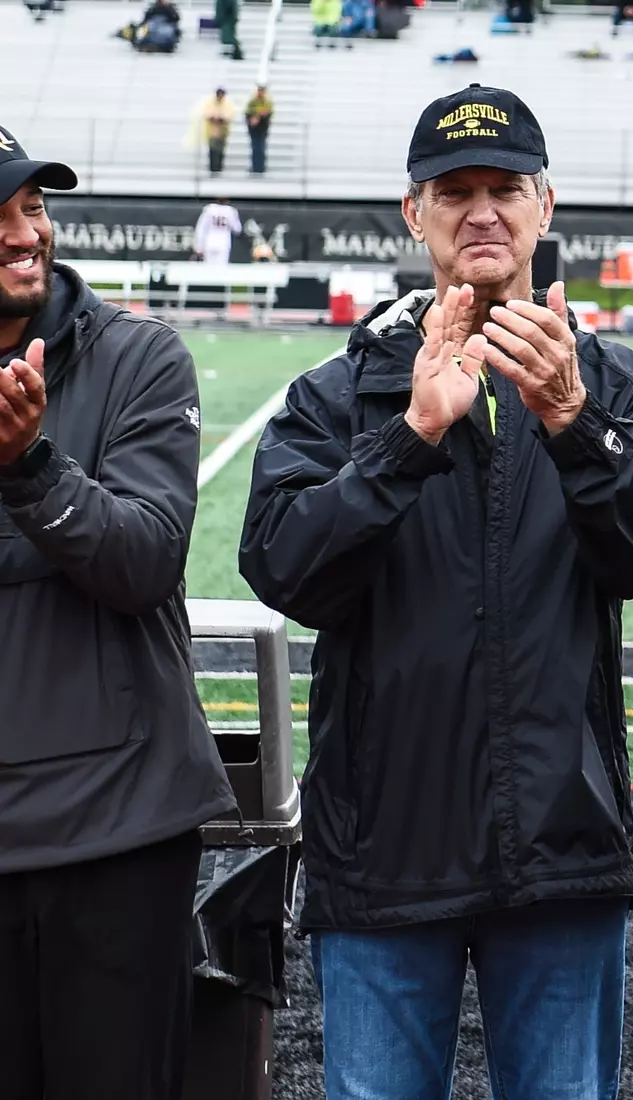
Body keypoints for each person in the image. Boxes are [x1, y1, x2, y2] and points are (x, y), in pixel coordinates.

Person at [238, 83, 633, 1100]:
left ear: (545, 203)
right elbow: (282, 566)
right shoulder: (339, 393)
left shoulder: (617, 385)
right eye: (454, 190)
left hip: (561, 846)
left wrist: (575, 424)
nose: (481, 210)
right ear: (414, 211)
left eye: (504, 187)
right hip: (383, 851)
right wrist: (407, 438)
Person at [0, 124, 237, 1100]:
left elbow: (143, 558)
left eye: (34, 205)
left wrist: (32, 468)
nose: (25, 232)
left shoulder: (140, 358)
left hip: (116, 830)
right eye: (1, 213)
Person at [193, 197, 240, 264]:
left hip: (209, 242)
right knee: (221, 268)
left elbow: (201, 228)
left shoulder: (209, 209)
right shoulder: (230, 211)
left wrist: (198, 245)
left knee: (208, 267)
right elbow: (237, 229)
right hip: (223, 243)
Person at [245, 84, 273, 174]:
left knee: (261, 148)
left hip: (263, 127)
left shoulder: (267, 101)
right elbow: (248, 112)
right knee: (255, 148)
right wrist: (257, 114)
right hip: (254, 128)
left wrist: (259, 114)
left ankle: (261, 167)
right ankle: (255, 167)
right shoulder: (252, 101)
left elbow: (268, 112)